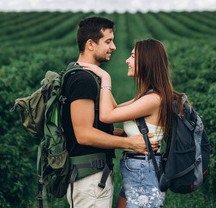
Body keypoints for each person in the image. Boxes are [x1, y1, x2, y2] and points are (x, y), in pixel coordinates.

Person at [62, 17, 159, 208]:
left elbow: (98, 123)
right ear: (90, 44)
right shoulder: (84, 80)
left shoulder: (89, 77)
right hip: (89, 179)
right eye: (108, 41)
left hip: (92, 176)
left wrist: (124, 133)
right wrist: (129, 142)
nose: (114, 47)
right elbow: (84, 134)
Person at [80, 38, 179, 208]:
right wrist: (98, 80)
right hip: (136, 168)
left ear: (146, 62)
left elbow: (107, 115)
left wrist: (105, 78)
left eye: (132, 56)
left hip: (143, 170)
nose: (127, 60)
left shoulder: (154, 100)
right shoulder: (146, 96)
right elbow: (116, 109)